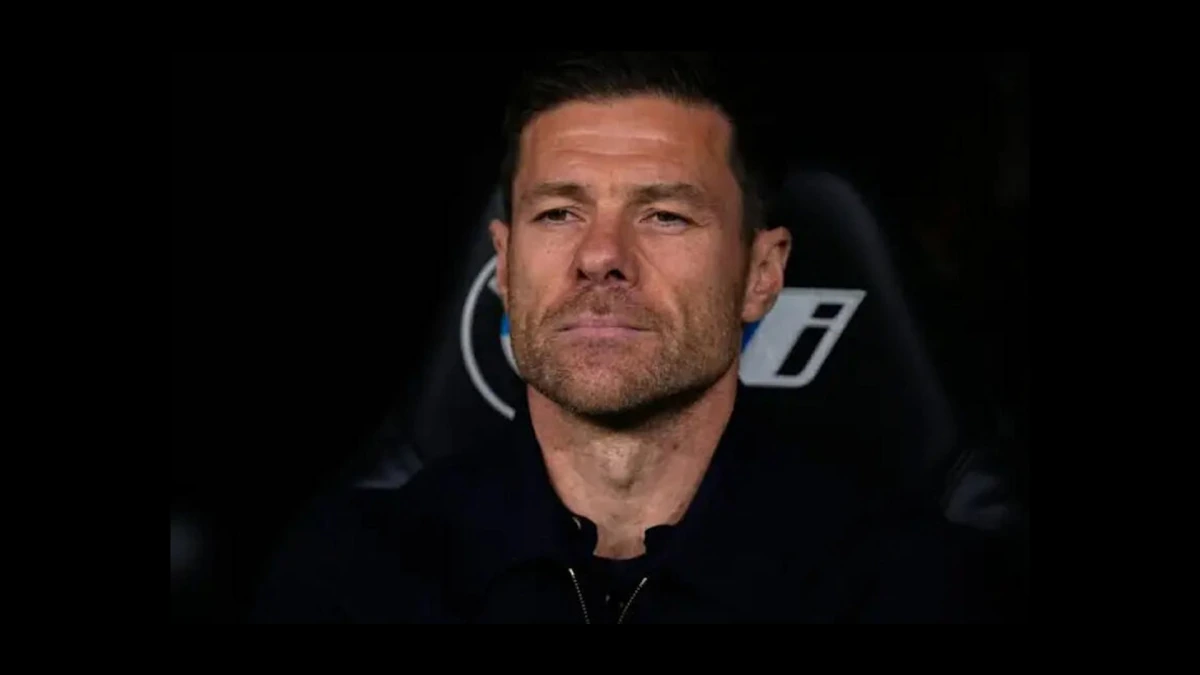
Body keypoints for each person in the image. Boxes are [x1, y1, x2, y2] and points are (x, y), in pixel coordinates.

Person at [250, 52, 1003, 623]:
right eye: (559, 213)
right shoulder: (352, 572)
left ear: (761, 273)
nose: (601, 255)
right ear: (504, 266)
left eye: (664, 215)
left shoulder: (911, 585)